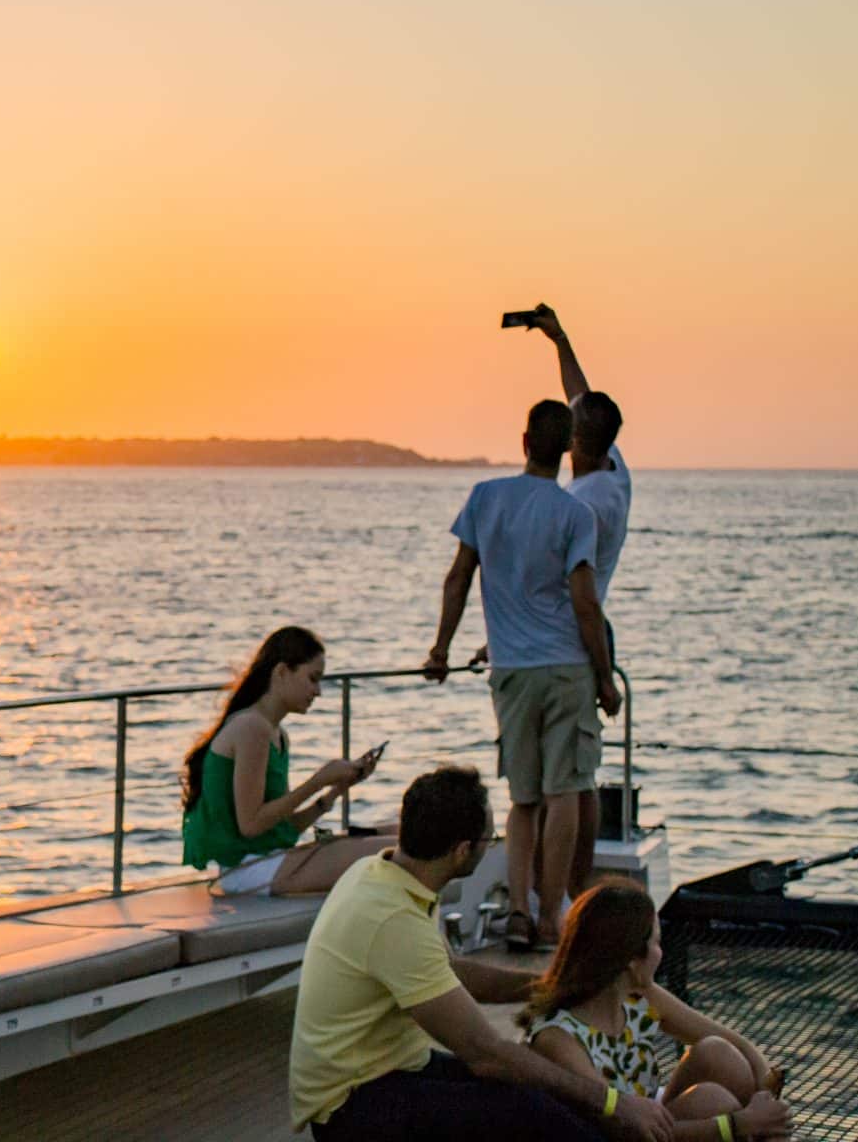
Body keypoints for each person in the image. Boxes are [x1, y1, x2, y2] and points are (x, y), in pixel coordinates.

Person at [288, 766, 676, 1142]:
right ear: (462, 850)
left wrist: (557, 985)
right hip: (351, 1107)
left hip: (391, 1068)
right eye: (489, 840)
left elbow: (451, 973)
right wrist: (613, 1103)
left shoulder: (386, 873)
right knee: (530, 1110)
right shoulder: (393, 919)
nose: (492, 846)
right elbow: (486, 1054)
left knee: (543, 1094)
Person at [424, 399, 617, 951]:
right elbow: (585, 603)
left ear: (525, 442)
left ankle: (517, 912)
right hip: (566, 671)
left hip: (510, 671)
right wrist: (605, 679)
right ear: (566, 450)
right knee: (565, 793)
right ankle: (553, 916)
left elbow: (458, 577)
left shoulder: (487, 499)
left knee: (523, 799)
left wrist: (440, 649)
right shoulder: (574, 514)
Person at [520, 880, 790, 1141]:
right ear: (630, 960)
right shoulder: (558, 1038)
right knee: (711, 1101)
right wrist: (738, 1124)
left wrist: (765, 1096)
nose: (661, 954)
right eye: (657, 944)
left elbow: (739, 1044)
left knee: (717, 1052)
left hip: (649, 1121)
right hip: (615, 1135)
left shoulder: (637, 996)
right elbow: (623, 1130)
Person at [533, 303, 633, 905]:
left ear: (574, 440)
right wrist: (559, 339)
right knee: (579, 775)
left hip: (577, 633)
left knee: (569, 781)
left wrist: (601, 673)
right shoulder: (615, 468)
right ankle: (570, 890)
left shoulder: (586, 506)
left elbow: (577, 594)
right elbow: (582, 395)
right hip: (585, 629)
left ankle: (568, 895)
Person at [180, 627, 388, 896]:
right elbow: (251, 825)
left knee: (397, 837)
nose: (318, 691)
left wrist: (337, 788)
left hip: (268, 861)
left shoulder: (276, 734)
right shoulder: (252, 728)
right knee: (392, 855)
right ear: (281, 672)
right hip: (248, 871)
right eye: (313, 679)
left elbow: (282, 827)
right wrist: (318, 781)